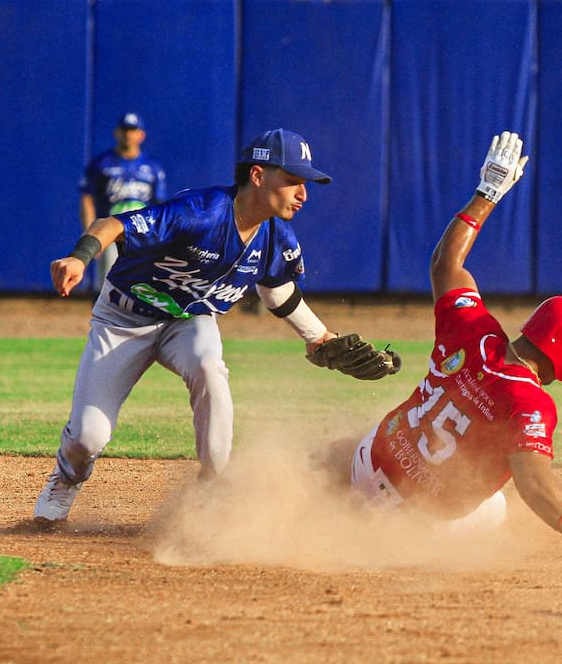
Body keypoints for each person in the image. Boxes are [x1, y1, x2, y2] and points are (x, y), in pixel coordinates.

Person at [35, 127, 399, 527]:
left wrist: (319, 338)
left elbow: (277, 292)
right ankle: (66, 479)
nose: (303, 193)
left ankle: (213, 489)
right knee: (88, 436)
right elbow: (112, 224)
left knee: (209, 366)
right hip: (124, 319)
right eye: (293, 181)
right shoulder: (201, 211)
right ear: (258, 176)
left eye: (305, 183)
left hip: (189, 322)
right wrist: (78, 258)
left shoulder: (278, 237)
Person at [349, 131, 562, 553]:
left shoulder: (473, 328)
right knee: (494, 510)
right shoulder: (529, 402)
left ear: (531, 327)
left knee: (376, 436)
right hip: (406, 522)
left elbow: (445, 263)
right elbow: (534, 482)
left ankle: (333, 481)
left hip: (367, 462)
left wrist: (488, 192)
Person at [78, 112, 169, 290]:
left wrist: (161, 236)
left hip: (143, 232)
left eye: (133, 130)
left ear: (141, 135)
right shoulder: (101, 163)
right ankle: (103, 317)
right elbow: (87, 197)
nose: (128, 134)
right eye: (125, 130)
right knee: (107, 283)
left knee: (143, 284)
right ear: (116, 133)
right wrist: (90, 232)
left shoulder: (152, 167)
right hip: (111, 230)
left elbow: (160, 205)